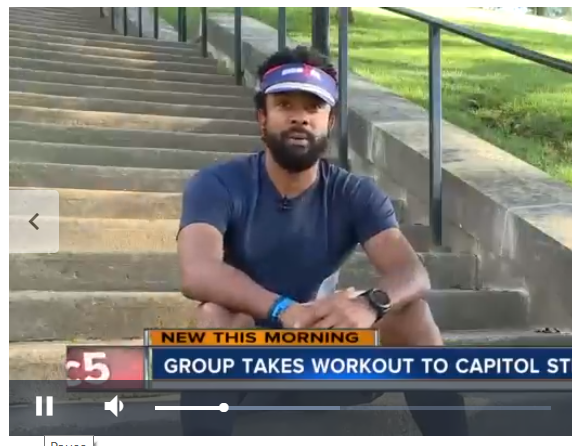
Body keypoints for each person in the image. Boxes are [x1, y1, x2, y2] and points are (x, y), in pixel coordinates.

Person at [176, 45, 468, 436]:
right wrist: (285, 310)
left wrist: (371, 303)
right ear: (262, 118)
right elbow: (198, 273)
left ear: (329, 121)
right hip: (248, 361)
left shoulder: (355, 193)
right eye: (284, 104)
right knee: (216, 316)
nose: (299, 116)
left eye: (313, 107)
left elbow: (411, 272)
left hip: (326, 353)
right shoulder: (217, 183)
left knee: (411, 312)